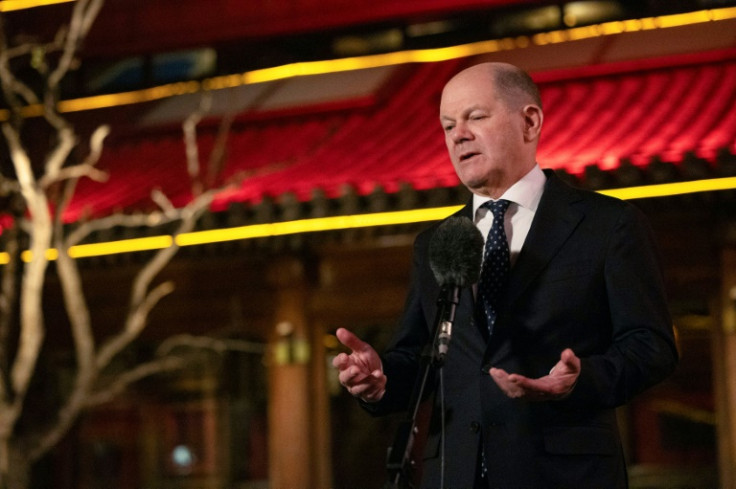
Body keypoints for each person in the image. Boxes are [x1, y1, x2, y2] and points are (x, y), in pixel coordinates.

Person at [332, 62, 678, 489]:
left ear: (529, 122)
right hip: (454, 475)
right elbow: (421, 359)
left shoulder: (607, 224)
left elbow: (652, 346)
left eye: (475, 117)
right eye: (447, 125)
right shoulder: (437, 242)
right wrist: (379, 380)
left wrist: (581, 379)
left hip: (565, 473)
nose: (458, 134)